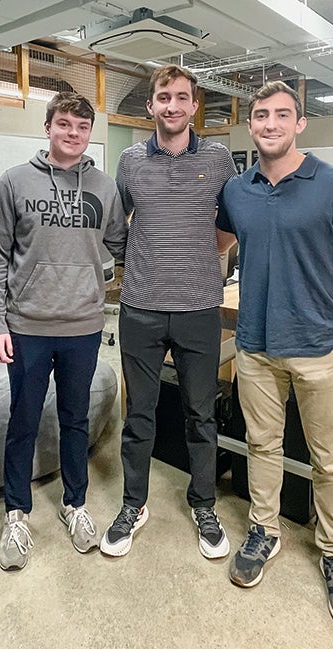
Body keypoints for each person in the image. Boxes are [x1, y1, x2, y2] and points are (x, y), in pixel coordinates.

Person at [215, 81, 333, 627]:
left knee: (331, 459)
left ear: (300, 124)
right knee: (261, 446)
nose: (270, 124)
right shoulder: (236, 190)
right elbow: (217, 249)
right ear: (251, 125)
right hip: (255, 348)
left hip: (320, 347)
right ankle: (264, 532)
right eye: (261, 115)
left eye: (282, 115)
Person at [0, 92, 128, 571]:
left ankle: (75, 504)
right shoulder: (15, 182)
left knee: (75, 419)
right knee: (22, 420)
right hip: (27, 327)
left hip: (84, 327)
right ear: (48, 127)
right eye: (64, 124)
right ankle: (16, 513)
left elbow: (124, 245)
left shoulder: (104, 188)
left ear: (89, 134)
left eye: (82, 127)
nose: (73, 134)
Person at [100, 64, 236, 560]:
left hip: (200, 308)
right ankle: (134, 505)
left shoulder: (220, 160)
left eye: (182, 97)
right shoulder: (131, 162)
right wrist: (145, 263)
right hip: (140, 310)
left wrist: (199, 258)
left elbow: (227, 227)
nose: (173, 106)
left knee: (200, 415)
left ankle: (203, 504)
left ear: (194, 105)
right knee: (138, 415)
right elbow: (119, 229)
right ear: (150, 105)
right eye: (164, 97)